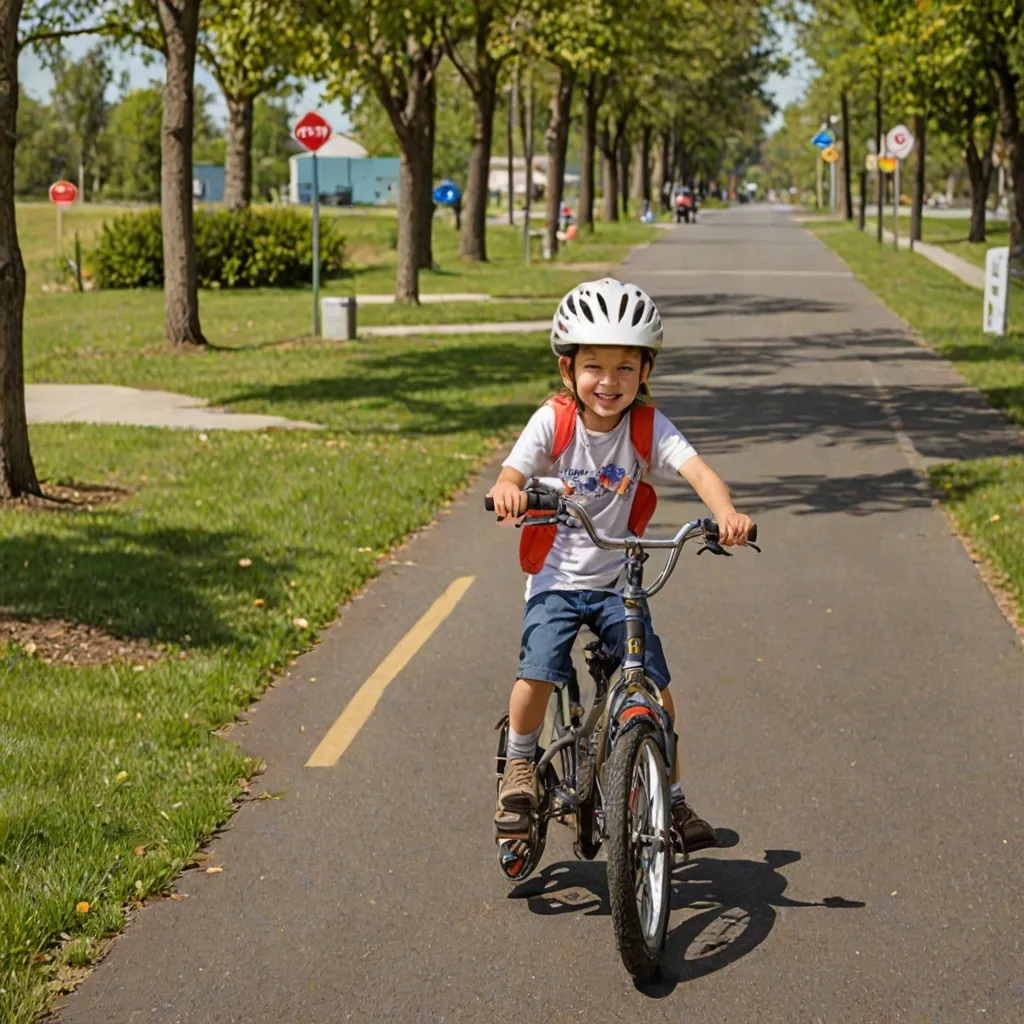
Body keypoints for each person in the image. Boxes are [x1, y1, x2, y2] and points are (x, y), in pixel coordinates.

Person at [487, 278, 754, 852]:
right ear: (568, 371)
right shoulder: (553, 422)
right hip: (557, 580)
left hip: (618, 581)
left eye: (625, 369)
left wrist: (726, 513)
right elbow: (512, 473)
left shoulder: (647, 426)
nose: (609, 382)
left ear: (645, 372)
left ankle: (673, 799)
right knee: (537, 671)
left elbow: (698, 471)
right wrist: (509, 490)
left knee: (656, 689)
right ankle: (521, 764)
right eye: (594, 367)